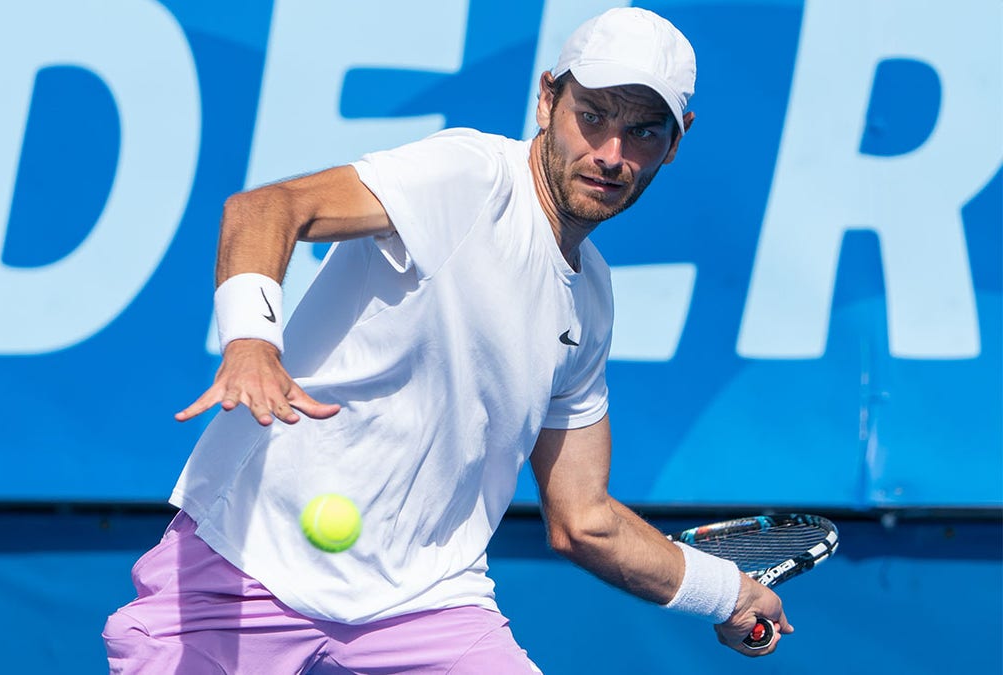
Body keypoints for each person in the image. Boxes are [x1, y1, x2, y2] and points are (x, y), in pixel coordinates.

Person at [104, 7, 791, 673]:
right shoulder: (469, 179)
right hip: (246, 556)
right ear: (547, 101)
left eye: (643, 131)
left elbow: (583, 519)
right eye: (593, 117)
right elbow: (267, 208)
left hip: (423, 604)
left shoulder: (591, 302)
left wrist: (727, 592)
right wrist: (251, 342)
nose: (611, 154)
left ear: (676, 142)